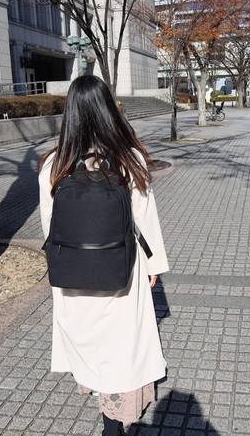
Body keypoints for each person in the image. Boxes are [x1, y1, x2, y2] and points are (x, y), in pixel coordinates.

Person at [38, 75, 169, 436]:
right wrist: (153, 265)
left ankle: (103, 405)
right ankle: (113, 424)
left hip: (73, 274)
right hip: (120, 271)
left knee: (91, 345)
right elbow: (144, 219)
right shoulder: (128, 159)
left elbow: (50, 227)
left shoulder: (54, 164)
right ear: (108, 110)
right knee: (120, 348)